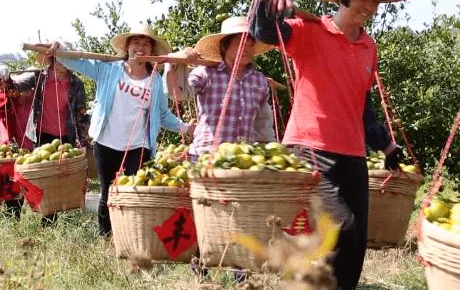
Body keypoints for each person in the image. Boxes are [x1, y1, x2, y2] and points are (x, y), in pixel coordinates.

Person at [250, 0, 408, 290]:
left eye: (374, 0)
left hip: (352, 153)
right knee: (343, 230)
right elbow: (264, 32)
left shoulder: (369, 47)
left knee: (356, 242)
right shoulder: (310, 31)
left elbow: (362, 107)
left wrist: (386, 146)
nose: (368, 6)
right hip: (310, 148)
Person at [44, 26, 195, 236]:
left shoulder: (155, 80)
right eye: (136, 43)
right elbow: (73, 61)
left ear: (151, 49)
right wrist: (60, 47)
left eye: (146, 44)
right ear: (127, 46)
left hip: (138, 146)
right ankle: (106, 238)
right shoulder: (108, 69)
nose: (140, 47)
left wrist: (187, 128)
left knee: (135, 191)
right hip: (107, 142)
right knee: (108, 192)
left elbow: (162, 115)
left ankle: (132, 237)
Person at [165, 16, 276, 159]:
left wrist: (269, 154)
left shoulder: (259, 81)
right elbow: (178, 94)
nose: (246, 48)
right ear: (225, 47)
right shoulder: (206, 73)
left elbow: (263, 125)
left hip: (242, 160)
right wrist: (176, 62)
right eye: (239, 43)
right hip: (205, 157)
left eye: (250, 44)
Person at [27, 50, 90, 147]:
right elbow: (19, 85)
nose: (64, 63)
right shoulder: (40, 77)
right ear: (53, 60)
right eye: (61, 59)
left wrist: (83, 142)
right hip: (41, 133)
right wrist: (6, 80)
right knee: (43, 159)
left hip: (66, 135)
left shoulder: (76, 83)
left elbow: (81, 114)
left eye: (67, 60)